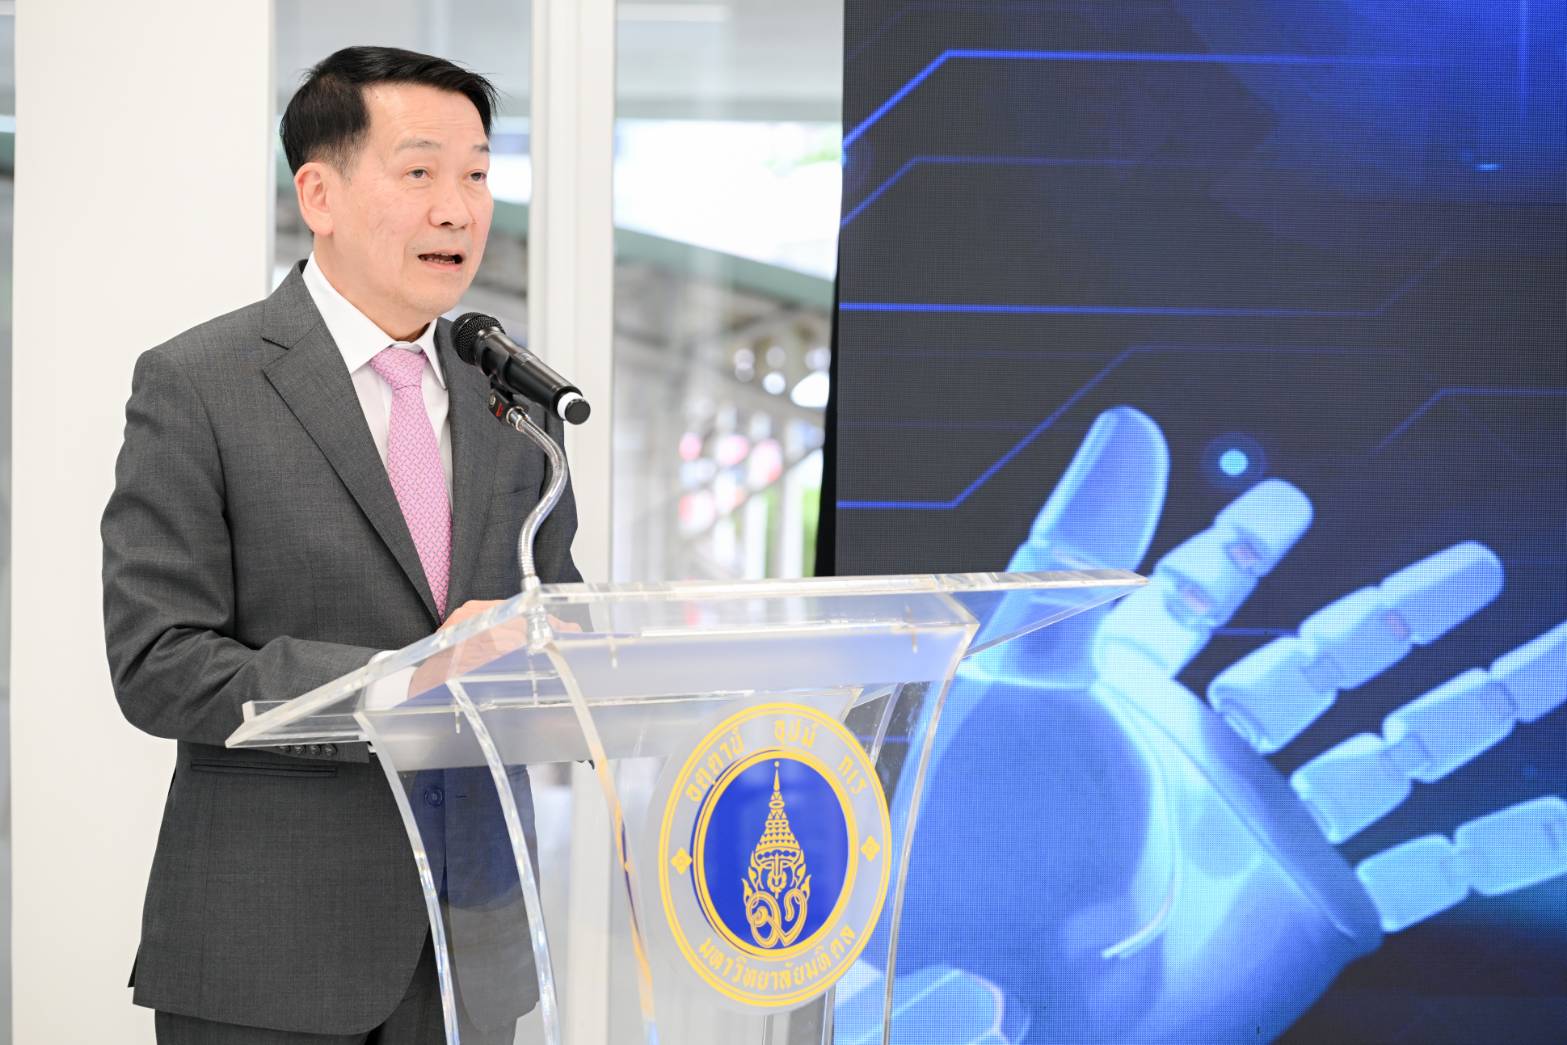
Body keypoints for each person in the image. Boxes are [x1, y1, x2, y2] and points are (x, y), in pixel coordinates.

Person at [101, 46, 579, 1043]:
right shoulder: (199, 384)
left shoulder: (513, 400)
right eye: (420, 172)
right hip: (270, 950)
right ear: (318, 194)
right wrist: (411, 677)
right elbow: (159, 663)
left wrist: (566, 650)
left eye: (477, 175)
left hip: (471, 948)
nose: (457, 209)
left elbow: (549, 622)